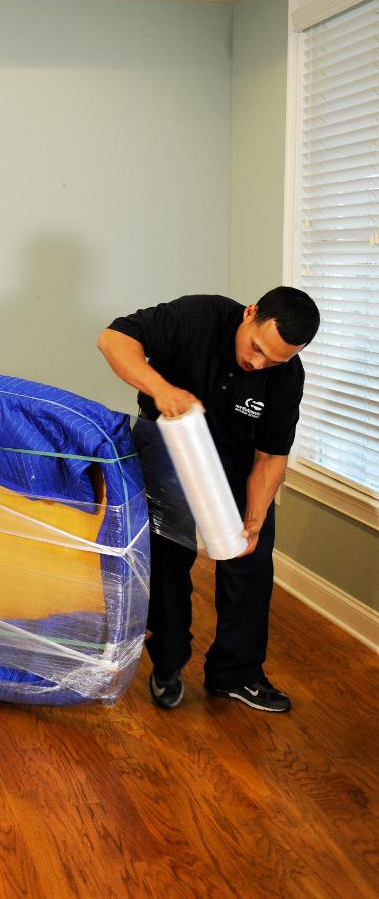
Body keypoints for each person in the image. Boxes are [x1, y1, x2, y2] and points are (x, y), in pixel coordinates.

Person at [98, 288, 320, 713]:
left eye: (274, 360)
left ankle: (236, 675)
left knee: (249, 561)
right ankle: (168, 664)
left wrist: (255, 518)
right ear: (251, 313)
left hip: (237, 457)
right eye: (257, 348)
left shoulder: (286, 377)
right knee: (168, 559)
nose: (258, 363)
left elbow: (271, 457)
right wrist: (161, 389)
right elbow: (113, 339)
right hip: (169, 444)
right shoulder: (198, 316)